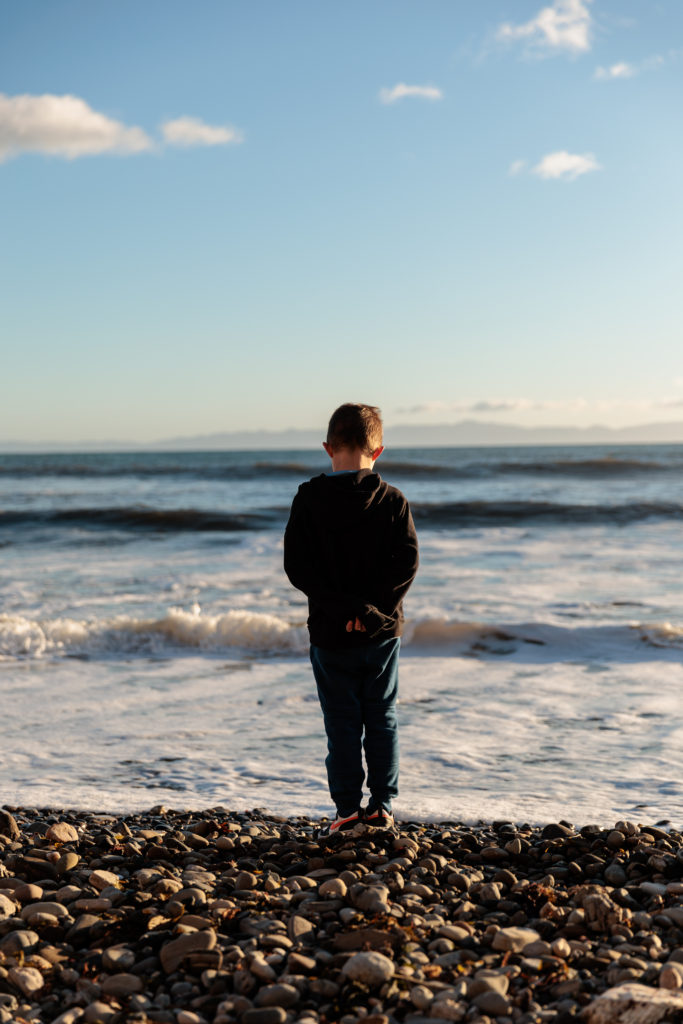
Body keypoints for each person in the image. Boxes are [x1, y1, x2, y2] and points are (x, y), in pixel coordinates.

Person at [284, 403, 419, 835]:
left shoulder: (309, 497)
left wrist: (344, 610)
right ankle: (382, 806)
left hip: (329, 631)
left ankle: (346, 810)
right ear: (377, 451)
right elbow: (407, 564)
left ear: (328, 448)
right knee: (382, 716)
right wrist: (371, 611)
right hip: (381, 633)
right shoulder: (393, 500)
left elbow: (298, 568)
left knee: (341, 721)